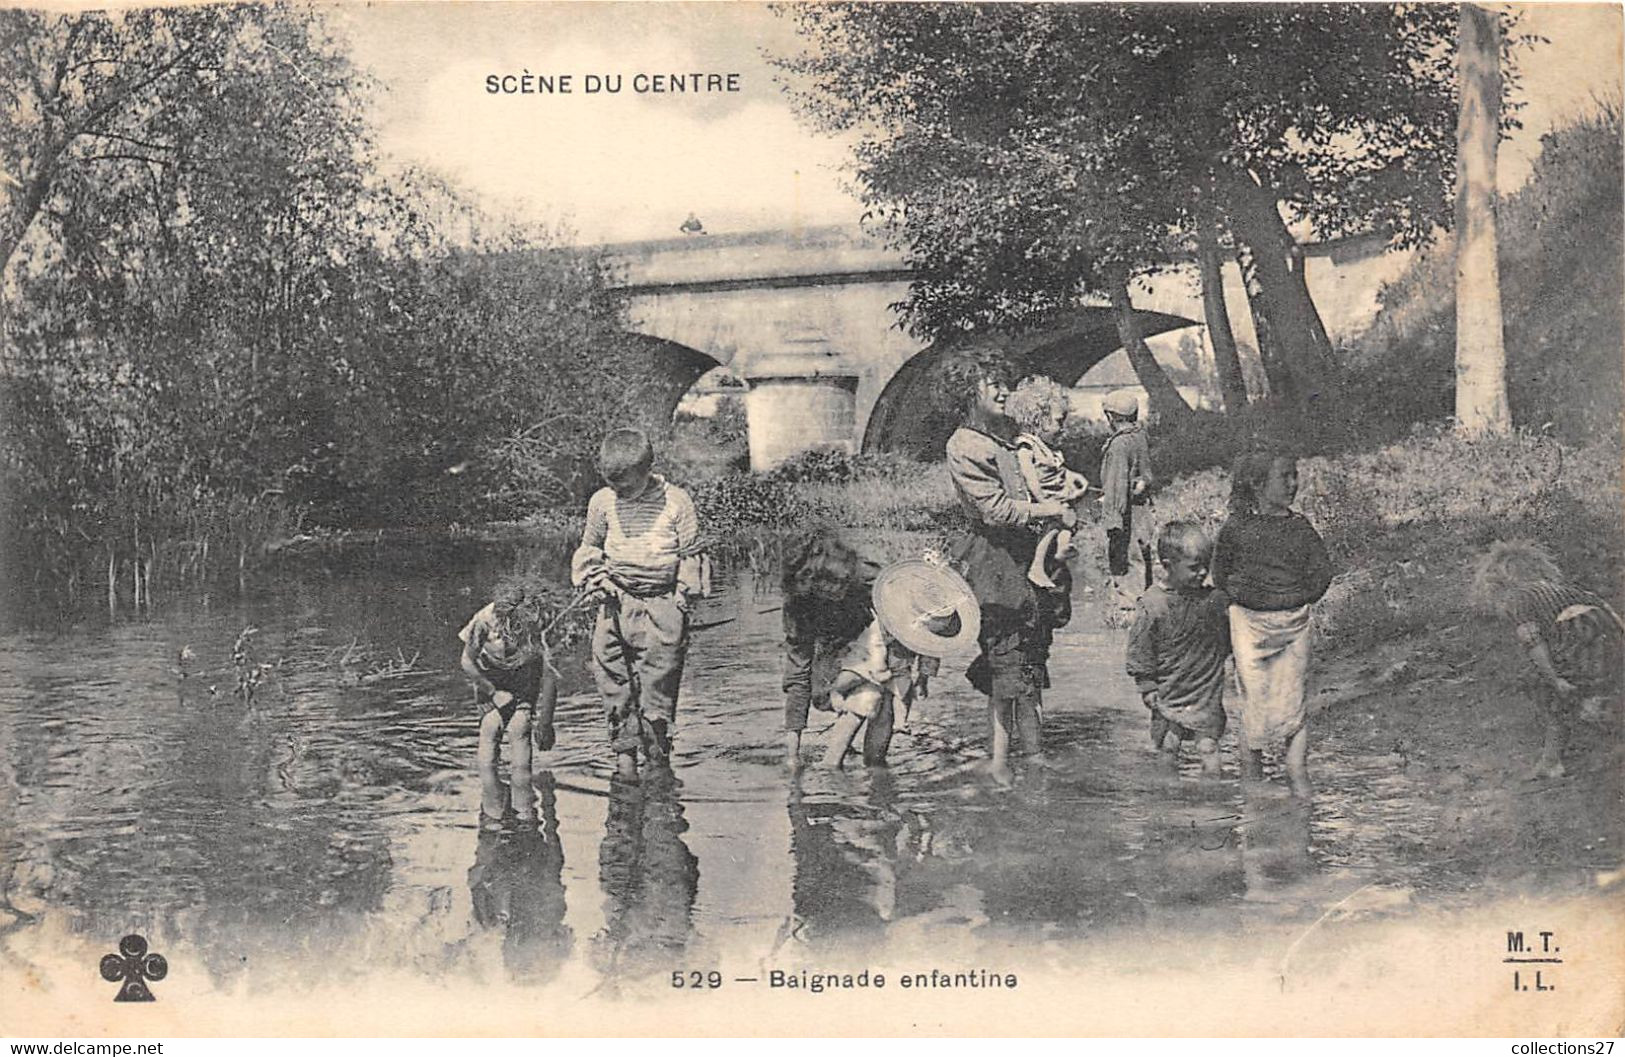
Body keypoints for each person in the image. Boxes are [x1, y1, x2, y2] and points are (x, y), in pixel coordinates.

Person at [941, 345, 1075, 784]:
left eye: (1004, 382)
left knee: (1031, 659)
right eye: (992, 384)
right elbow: (994, 510)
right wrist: (1050, 511)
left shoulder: (1006, 436)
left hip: (1026, 559)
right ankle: (999, 761)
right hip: (995, 564)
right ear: (968, 391)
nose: (1003, 390)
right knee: (1005, 660)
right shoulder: (964, 444)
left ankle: (1033, 753)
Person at [572, 428, 705, 779]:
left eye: (627, 486)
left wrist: (682, 599)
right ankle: (624, 762)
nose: (620, 492)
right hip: (614, 601)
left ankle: (658, 762)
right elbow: (591, 548)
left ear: (649, 469)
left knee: (658, 685)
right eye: (613, 485)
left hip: (662, 603)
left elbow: (691, 556)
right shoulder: (602, 502)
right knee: (612, 677)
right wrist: (595, 581)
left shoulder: (677, 501)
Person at [1211, 451, 1332, 797]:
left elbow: (1321, 573)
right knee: (1254, 698)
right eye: (1285, 477)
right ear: (1257, 484)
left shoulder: (1300, 528)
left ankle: (1296, 775)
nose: (1293, 484)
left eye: (1295, 475)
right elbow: (1221, 575)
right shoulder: (1236, 528)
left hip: (1293, 625)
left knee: (1292, 701)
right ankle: (1256, 782)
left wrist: (1295, 597)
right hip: (1249, 625)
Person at [1469, 540, 1623, 778]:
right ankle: (1558, 753)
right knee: (1576, 692)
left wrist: (1554, 678)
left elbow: (1534, 644)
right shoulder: (1559, 590)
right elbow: (1609, 613)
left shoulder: (1517, 599)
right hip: (1610, 637)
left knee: (1543, 685)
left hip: (1586, 642)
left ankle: (1557, 757)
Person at [817, 559, 975, 769]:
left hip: (900, 666)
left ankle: (874, 761)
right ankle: (832, 761)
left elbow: (933, 649)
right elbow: (871, 649)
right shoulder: (893, 614)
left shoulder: (938, 615)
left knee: (885, 716)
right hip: (872, 659)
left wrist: (923, 677)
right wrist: (875, 672)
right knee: (864, 702)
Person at [1126, 521, 1231, 776]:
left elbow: (1228, 639)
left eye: (1206, 566)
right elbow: (1140, 648)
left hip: (1204, 692)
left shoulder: (1213, 600)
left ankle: (1214, 800)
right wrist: (1147, 685)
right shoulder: (1153, 603)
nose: (1203, 573)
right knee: (1168, 745)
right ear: (1167, 566)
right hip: (1169, 691)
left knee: (1208, 746)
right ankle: (1167, 802)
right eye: (1194, 567)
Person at [780, 530, 883, 770]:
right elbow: (797, 675)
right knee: (827, 693)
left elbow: (905, 601)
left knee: (872, 694)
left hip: (871, 640)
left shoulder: (863, 576)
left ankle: (848, 764)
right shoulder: (797, 605)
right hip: (831, 653)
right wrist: (792, 755)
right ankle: (838, 761)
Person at [459, 578, 560, 814]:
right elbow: (466, 661)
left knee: (520, 728)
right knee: (491, 727)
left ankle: (525, 810)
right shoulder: (483, 620)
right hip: (490, 677)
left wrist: (546, 722)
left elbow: (550, 676)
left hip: (524, 675)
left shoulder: (538, 623)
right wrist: (492, 692)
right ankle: (492, 808)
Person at [1006, 375, 1093, 590]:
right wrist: (1044, 502)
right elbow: (1030, 477)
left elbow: (1057, 468)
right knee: (1053, 524)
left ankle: (1063, 549)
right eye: (1058, 421)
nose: (1062, 427)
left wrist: (1072, 475)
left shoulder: (1048, 446)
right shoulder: (1027, 446)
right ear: (1038, 420)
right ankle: (1037, 566)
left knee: (1068, 523)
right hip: (1045, 500)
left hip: (1058, 497)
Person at [1098, 388, 1155, 606]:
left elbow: (1115, 485)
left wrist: (1112, 518)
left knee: (1123, 559)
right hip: (1141, 509)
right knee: (1141, 555)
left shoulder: (1118, 445)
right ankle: (1145, 601)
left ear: (1111, 417)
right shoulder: (1139, 436)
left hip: (1125, 513)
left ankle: (1128, 607)